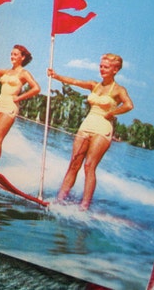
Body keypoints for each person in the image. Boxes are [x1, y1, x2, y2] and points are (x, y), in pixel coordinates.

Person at [47, 53, 133, 210]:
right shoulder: (94, 85)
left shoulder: (119, 90)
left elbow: (129, 105)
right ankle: (59, 199)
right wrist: (56, 76)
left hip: (103, 128)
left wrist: (112, 113)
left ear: (115, 70)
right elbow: (74, 81)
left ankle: (84, 206)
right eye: (101, 66)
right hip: (86, 125)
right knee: (74, 163)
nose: (102, 69)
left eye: (106, 67)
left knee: (89, 166)